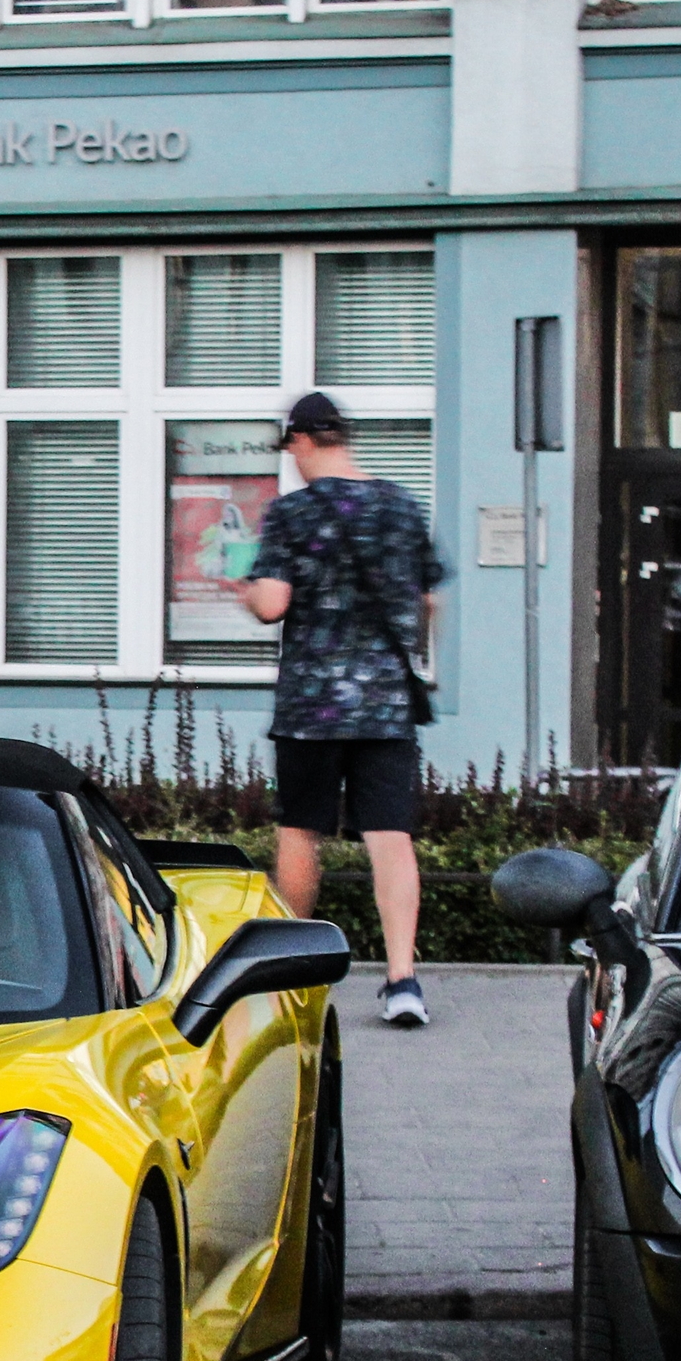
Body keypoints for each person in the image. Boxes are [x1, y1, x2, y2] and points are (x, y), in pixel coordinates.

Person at [240, 391, 448, 1028]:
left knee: (301, 829)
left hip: (311, 706)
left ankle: (293, 980)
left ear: (303, 441)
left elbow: (273, 604)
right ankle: (402, 979)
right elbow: (429, 601)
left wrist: (247, 594)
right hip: (384, 704)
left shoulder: (293, 514)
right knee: (391, 837)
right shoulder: (401, 506)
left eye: (291, 448)